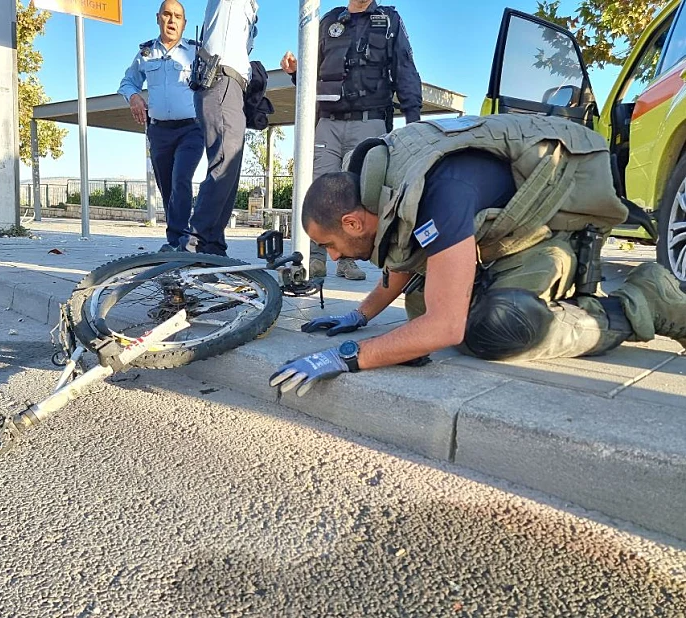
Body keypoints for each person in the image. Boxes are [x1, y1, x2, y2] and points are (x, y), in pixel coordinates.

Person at [270, 113, 686, 397]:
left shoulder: (439, 192)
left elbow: (445, 328)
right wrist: (359, 315)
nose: (330, 253)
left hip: (551, 243)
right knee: (420, 306)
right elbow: (407, 256)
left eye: (327, 244)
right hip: (505, 241)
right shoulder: (384, 184)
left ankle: (644, 300)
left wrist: (347, 357)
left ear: (353, 223)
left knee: (495, 328)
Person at [280, 0, 422, 280]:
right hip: (328, 122)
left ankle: (348, 259)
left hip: (369, 121)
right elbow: (312, 74)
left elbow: (405, 68)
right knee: (317, 189)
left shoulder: (389, 20)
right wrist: (296, 71)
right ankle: (314, 255)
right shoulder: (329, 21)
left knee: (358, 194)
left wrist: (414, 121)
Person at [117, 0, 203, 252]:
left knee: (181, 178)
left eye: (177, 16)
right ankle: (176, 238)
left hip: (191, 129)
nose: (172, 20)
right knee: (167, 186)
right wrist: (133, 97)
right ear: (158, 18)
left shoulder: (195, 51)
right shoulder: (146, 53)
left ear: (184, 23)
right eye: (167, 14)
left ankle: (181, 239)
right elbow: (128, 82)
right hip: (159, 131)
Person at [184, 0, 259, 256]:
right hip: (220, 79)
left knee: (230, 168)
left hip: (232, 85)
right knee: (225, 163)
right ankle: (195, 245)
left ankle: (213, 248)